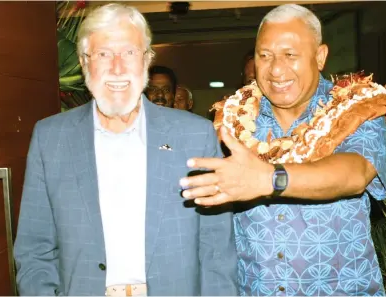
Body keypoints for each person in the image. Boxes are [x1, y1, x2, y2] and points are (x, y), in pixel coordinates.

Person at [13, 3, 237, 296]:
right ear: (84, 62)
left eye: (129, 53)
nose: (117, 68)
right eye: (104, 54)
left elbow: (217, 252)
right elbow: (34, 250)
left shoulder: (194, 135)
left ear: (146, 60)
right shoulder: (50, 138)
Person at [180, 4, 386, 296]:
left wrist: (268, 179)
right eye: (265, 56)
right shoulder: (229, 121)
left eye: (290, 55)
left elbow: (356, 173)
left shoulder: (356, 107)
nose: (276, 70)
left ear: (320, 57)